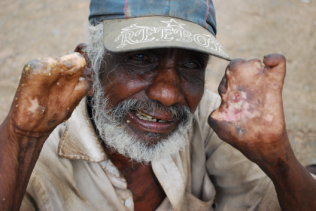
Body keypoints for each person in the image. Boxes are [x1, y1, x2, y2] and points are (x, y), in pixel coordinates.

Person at [0, 0, 315, 210]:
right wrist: (20, 138)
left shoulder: (213, 118)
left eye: (190, 64)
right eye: (140, 58)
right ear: (90, 67)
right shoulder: (30, 154)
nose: (168, 93)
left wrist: (278, 157)